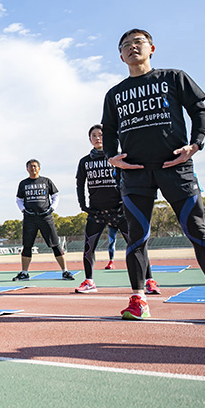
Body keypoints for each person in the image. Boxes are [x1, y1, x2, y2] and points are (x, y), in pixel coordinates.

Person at [102, 28, 205, 324]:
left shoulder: (174, 77)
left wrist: (196, 144)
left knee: (197, 231)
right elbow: (108, 129)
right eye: (126, 45)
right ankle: (138, 299)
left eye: (138, 43)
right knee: (136, 239)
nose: (132, 48)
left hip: (176, 168)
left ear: (152, 48)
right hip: (135, 174)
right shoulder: (114, 94)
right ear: (120, 55)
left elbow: (199, 110)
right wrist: (112, 156)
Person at [75, 126, 160, 294]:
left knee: (137, 245)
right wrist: (83, 205)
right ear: (89, 139)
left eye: (101, 135)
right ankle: (89, 281)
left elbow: (129, 178)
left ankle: (150, 281)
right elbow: (80, 184)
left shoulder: (117, 157)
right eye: (94, 135)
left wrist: (126, 202)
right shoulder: (84, 161)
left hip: (119, 211)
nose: (97, 138)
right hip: (96, 213)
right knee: (88, 247)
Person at [13, 160, 73, 281]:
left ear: (39, 168)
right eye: (30, 167)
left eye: (35, 166)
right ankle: (24, 272)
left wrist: (52, 209)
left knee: (55, 244)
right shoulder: (23, 183)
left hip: (45, 217)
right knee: (27, 246)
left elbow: (55, 195)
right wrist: (23, 210)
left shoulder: (46, 181)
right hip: (30, 218)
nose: (32, 169)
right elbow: (19, 199)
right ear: (27, 169)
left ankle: (65, 271)